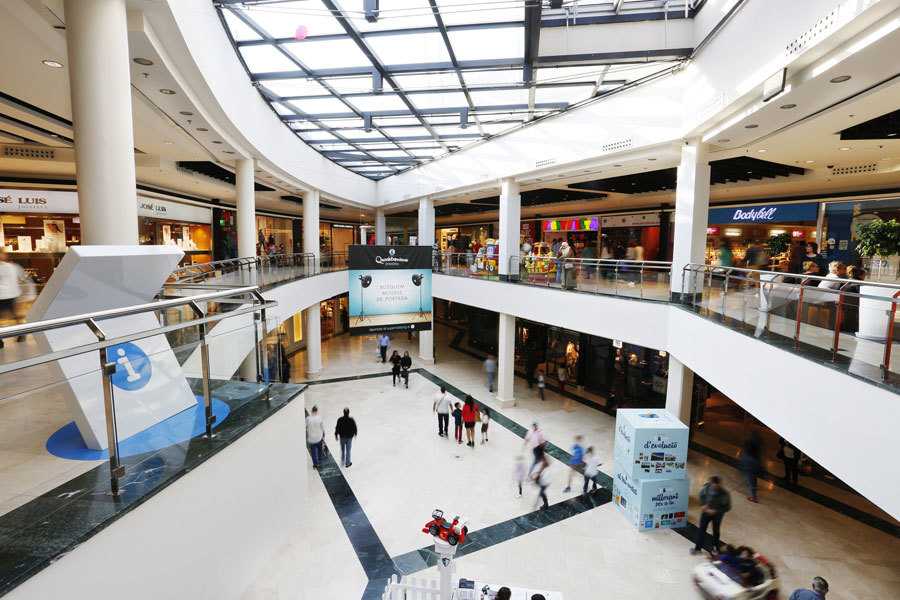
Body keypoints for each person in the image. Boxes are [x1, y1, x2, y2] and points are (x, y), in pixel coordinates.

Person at [691, 476, 731, 554]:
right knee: (702, 530)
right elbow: (701, 495)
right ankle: (698, 548)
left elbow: (727, 507)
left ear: (719, 485)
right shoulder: (706, 486)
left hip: (717, 515)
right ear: (711, 483)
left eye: (716, 486)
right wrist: (703, 504)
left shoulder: (724, 493)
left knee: (715, 531)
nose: (715, 487)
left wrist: (716, 511)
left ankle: (714, 547)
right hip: (706, 513)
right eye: (713, 485)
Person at [0, 251, 24, 348]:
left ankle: (0, 340)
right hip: (11, 295)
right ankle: (22, 333)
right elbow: (20, 278)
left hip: (3, 295)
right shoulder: (13, 266)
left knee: (14, 316)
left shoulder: (8, 267)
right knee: (15, 316)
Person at [740, 432, 763, 503]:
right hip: (755, 471)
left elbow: (744, 465)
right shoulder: (756, 456)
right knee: (754, 480)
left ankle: (754, 498)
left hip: (749, 471)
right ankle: (755, 486)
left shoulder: (746, 456)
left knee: (751, 484)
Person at [306, 405, 326, 470]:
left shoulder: (308, 419)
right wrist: (323, 435)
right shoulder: (319, 418)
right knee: (320, 450)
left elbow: (305, 426)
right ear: (316, 411)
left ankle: (315, 465)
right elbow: (322, 428)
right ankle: (320, 460)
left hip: (311, 439)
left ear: (312, 411)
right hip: (319, 438)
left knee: (313, 453)